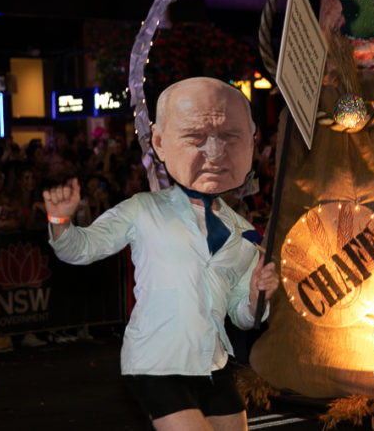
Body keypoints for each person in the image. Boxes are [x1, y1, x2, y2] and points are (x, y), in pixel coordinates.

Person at [43, 77, 279, 431]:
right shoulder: (143, 209)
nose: (214, 151)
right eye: (196, 138)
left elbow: (243, 316)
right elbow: (81, 248)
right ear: (160, 142)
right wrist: (60, 221)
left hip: (212, 362)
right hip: (156, 362)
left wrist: (259, 295)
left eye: (229, 138)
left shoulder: (245, 235)